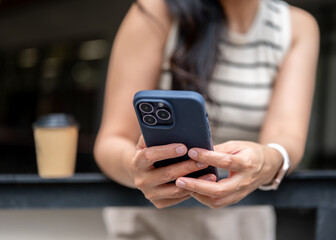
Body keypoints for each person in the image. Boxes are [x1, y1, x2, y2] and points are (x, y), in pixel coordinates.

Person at [94, 0, 319, 239]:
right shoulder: (155, 10)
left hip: (242, 223)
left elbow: (287, 136)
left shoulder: (295, 27)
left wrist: (266, 160)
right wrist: (138, 168)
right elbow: (112, 140)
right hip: (152, 224)